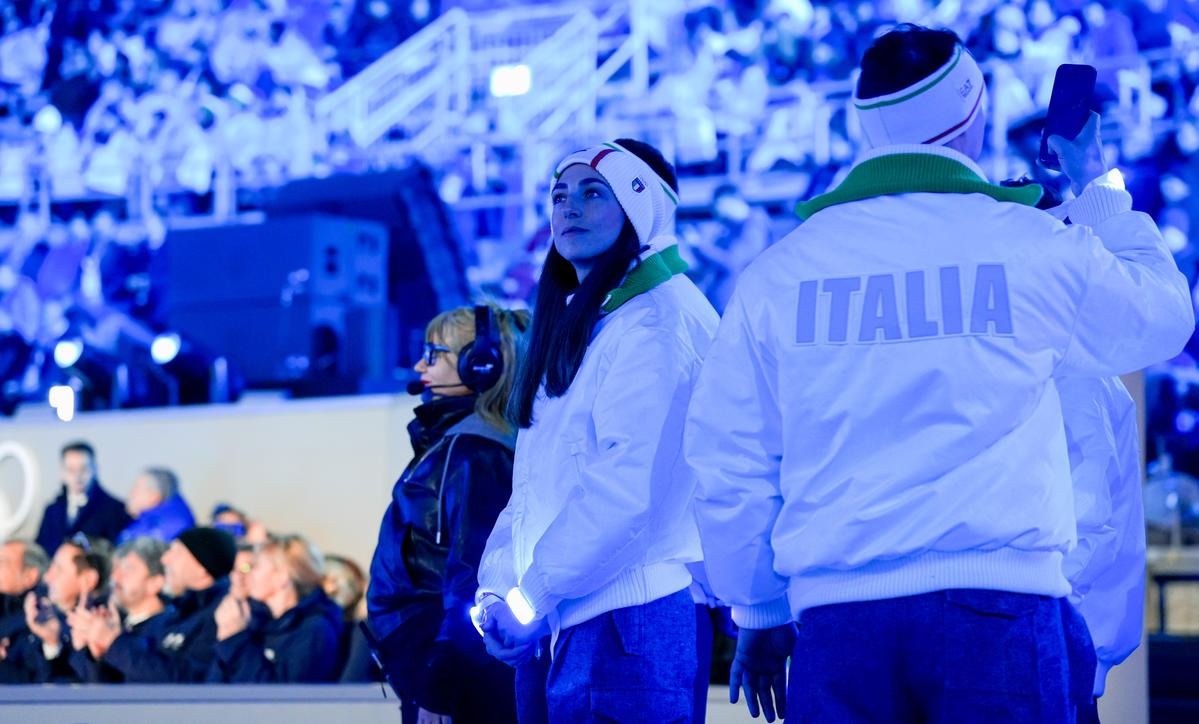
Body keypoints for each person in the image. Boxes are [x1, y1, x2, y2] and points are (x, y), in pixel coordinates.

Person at [686, 24, 1194, 723]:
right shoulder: (1031, 246)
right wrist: (1096, 184)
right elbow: (1161, 316)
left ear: (866, 124)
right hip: (999, 613)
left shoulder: (778, 274)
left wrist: (760, 608)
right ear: (970, 115)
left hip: (838, 625)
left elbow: (729, 456)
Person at [475, 138, 719, 723]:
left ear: (641, 208)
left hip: (622, 620)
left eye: (594, 193)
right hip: (562, 617)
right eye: (560, 195)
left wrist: (530, 596)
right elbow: (533, 488)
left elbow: (623, 494)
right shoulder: (593, 322)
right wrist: (498, 591)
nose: (571, 209)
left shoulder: (657, 324)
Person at [368, 303, 529, 724]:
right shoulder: (457, 443)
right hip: (432, 663)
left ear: (481, 365)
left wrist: (440, 684)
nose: (420, 365)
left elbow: (471, 578)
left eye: (434, 354)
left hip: (451, 676)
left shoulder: (475, 451)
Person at [1059, 376, 1146, 723]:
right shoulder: (1082, 375)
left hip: (1058, 658)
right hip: (1063, 657)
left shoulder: (1076, 377)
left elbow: (1087, 528)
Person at [99, 526, 236, 682]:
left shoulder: (222, 617)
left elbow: (187, 682)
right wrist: (94, 653)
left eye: (176, 552)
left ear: (202, 569)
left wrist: (115, 644)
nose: (165, 559)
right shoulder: (172, 615)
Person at [208, 533, 342, 683]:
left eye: (256, 567)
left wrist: (235, 640)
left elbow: (279, 693)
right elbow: (214, 688)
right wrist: (228, 637)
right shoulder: (258, 622)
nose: (249, 575)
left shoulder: (315, 630)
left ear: (282, 577)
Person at [1, 534, 111, 683]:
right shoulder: (34, 614)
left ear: (88, 579)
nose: (47, 577)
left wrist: (52, 644)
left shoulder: (99, 634)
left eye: (59, 569)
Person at [66, 537, 169, 683]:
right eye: (116, 569)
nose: (115, 577)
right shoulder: (117, 624)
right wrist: (91, 651)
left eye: (128, 569)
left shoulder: (167, 630)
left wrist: (112, 642)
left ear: (155, 582)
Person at [36, 441, 132, 553]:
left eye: (83, 469)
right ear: (62, 473)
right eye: (71, 470)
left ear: (95, 469)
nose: (77, 476)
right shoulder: (52, 511)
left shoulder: (114, 510)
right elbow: (39, 551)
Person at [117, 467, 196, 544]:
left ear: (154, 496)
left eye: (136, 489)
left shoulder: (171, 525)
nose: (130, 494)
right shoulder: (149, 519)